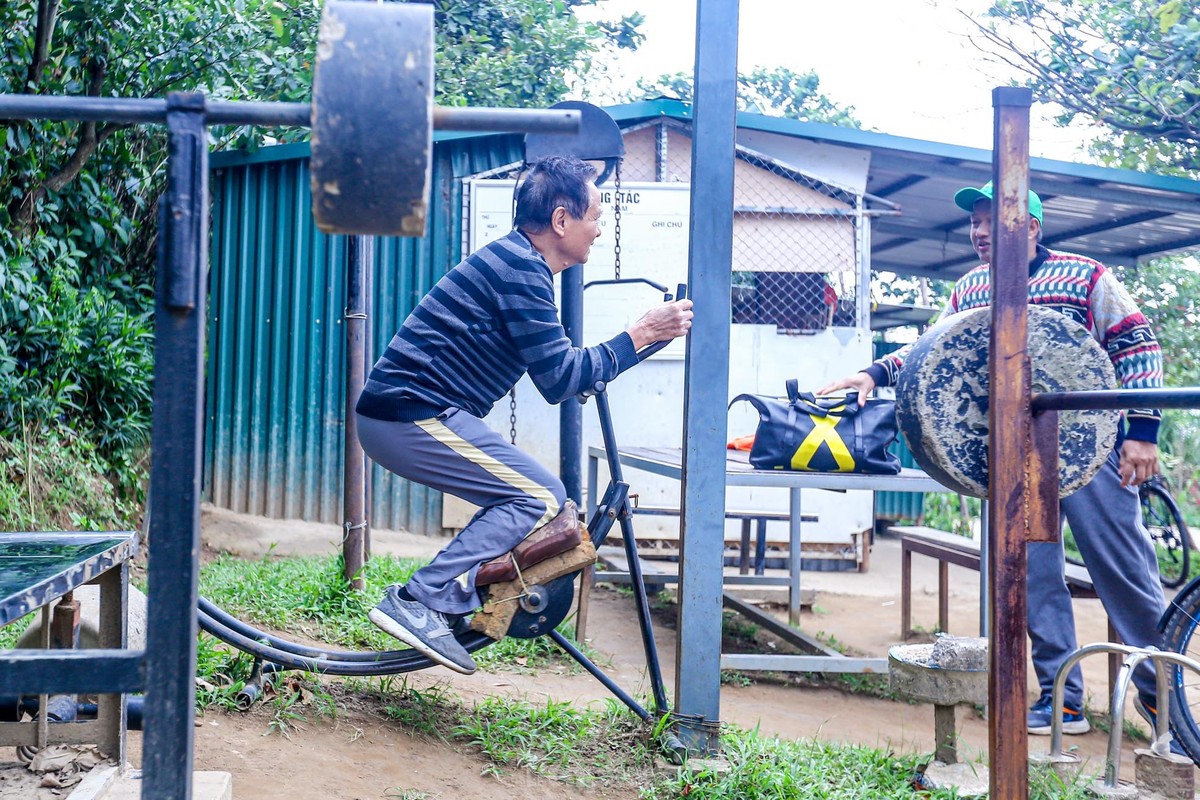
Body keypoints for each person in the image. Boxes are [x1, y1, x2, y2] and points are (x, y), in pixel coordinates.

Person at [820, 181, 1174, 744]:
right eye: (974, 224)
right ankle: (1062, 699)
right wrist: (874, 373)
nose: (979, 232)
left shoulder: (1085, 276)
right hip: (1013, 457)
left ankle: (1166, 702)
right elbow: (930, 349)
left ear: (1031, 226)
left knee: (1125, 574)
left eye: (992, 221)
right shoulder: (972, 288)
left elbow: (1137, 345)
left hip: (1089, 448)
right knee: (1033, 577)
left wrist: (1144, 432)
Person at [354, 155, 694, 675]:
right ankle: (421, 598)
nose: (600, 231)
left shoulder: (520, 263)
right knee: (537, 499)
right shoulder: (520, 270)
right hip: (409, 414)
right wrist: (642, 333)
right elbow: (561, 378)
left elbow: (565, 372)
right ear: (561, 221)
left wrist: (633, 343)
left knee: (542, 497)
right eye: (596, 217)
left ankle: (449, 599)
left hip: (416, 412)